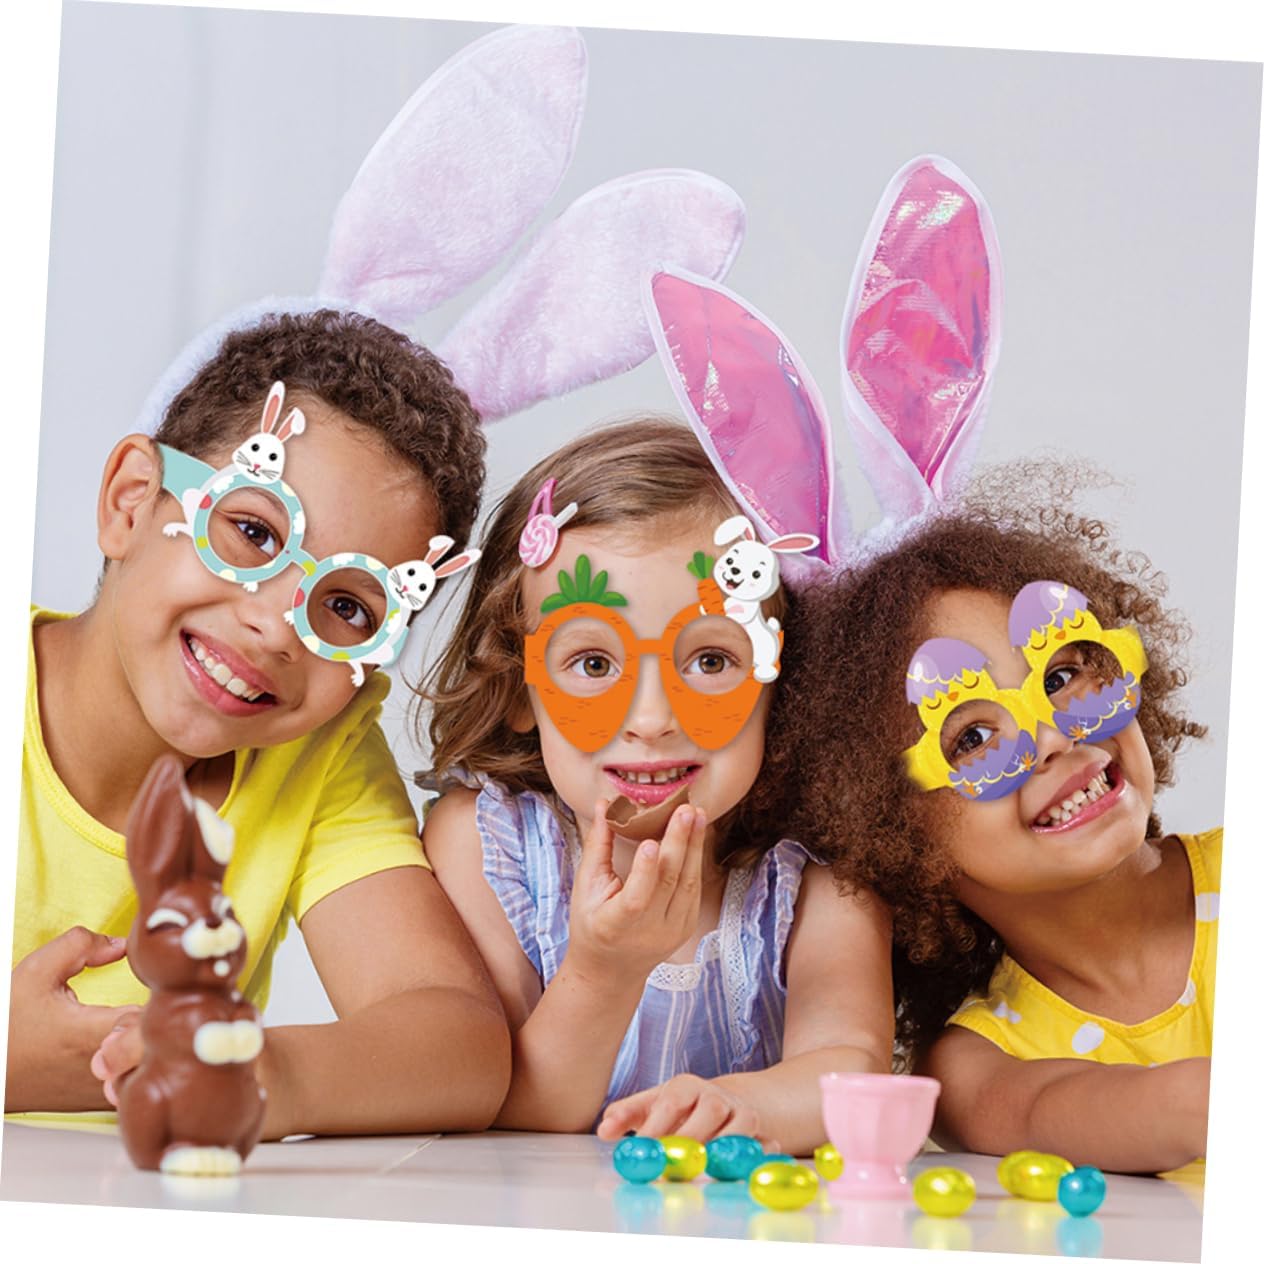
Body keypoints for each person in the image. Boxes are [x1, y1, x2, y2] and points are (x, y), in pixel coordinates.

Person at [8, 309, 511, 1138]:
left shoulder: (318, 754)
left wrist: (257, 1072)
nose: (278, 628)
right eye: (252, 533)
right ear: (130, 503)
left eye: (347, 607)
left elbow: (460, 1046)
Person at [419, 417, 894, 1155]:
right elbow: (507, 1102)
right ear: (517, 687)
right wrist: (604, 972)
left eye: (710, 661)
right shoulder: (485, 846)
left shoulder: (819, 889)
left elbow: (852, 1071)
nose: (650, 720)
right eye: (593, 664)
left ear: (786, 683)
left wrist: (741, 1108)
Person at [776, 473, 1216, 1173]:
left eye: (1061, 677)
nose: (1054, 738)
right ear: (890, 828)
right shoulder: (973, 1067)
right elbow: (1178, 1108)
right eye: (974, 738)